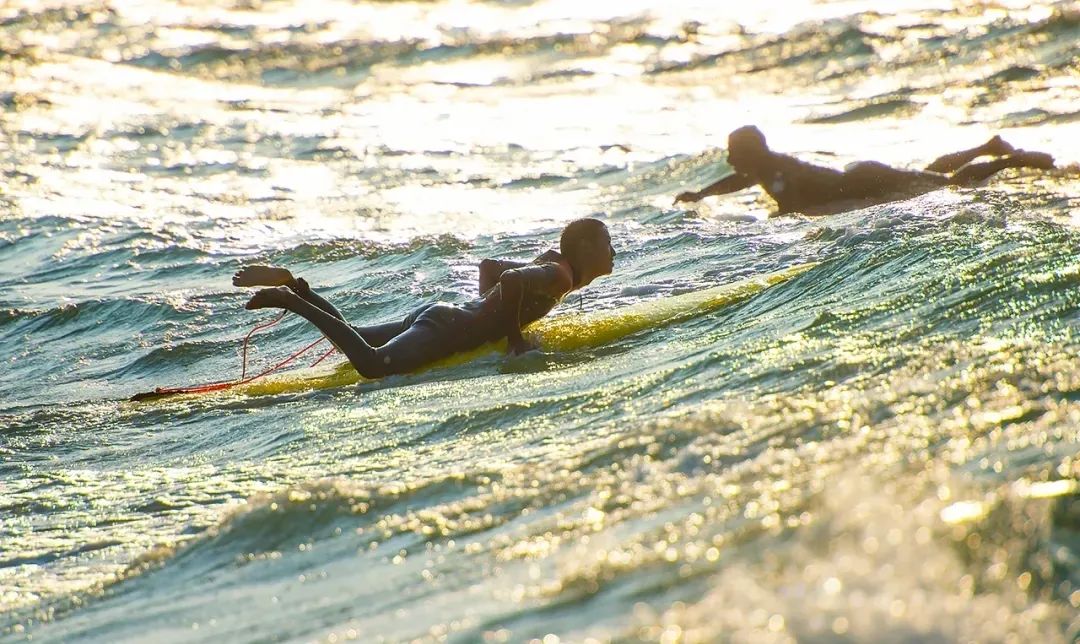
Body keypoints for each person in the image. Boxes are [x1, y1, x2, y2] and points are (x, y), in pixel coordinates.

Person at [233, 218, 615, 379]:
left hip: (446, 317)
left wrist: (489, 313)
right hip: (447, 328)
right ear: (583, 247)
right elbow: (511, 279)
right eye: (607, 243)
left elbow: (489, 267)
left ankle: (300, 288)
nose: (613, 252)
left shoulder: (555, 265)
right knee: (370, 366)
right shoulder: (560, 275)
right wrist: (512, 337)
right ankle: (290, 299)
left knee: (354, 336)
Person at [674, 126, 1055, 215]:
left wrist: (783, 215)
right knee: (926, 175)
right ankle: (988, 147)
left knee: (946, 184)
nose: (728, 160)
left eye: (732, 153)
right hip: (860, 176)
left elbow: (794, 201)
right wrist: (702, 195)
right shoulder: (762, 168)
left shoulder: (774, 170)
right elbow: (736, 181)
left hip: (864, 180)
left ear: (750, 152)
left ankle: (1011, 160)